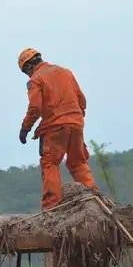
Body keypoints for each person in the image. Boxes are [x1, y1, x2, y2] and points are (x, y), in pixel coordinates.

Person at [17, 48, 99, 210]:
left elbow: (35, 108)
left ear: (28, 68)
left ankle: (51, 207)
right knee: (78, 162)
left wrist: (25, 128)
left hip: (54, 128)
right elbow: (82, 101)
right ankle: (95, 200)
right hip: (76, 124)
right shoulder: (65, 72)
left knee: (50, 163)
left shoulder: (36, 80)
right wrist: (75, 120)